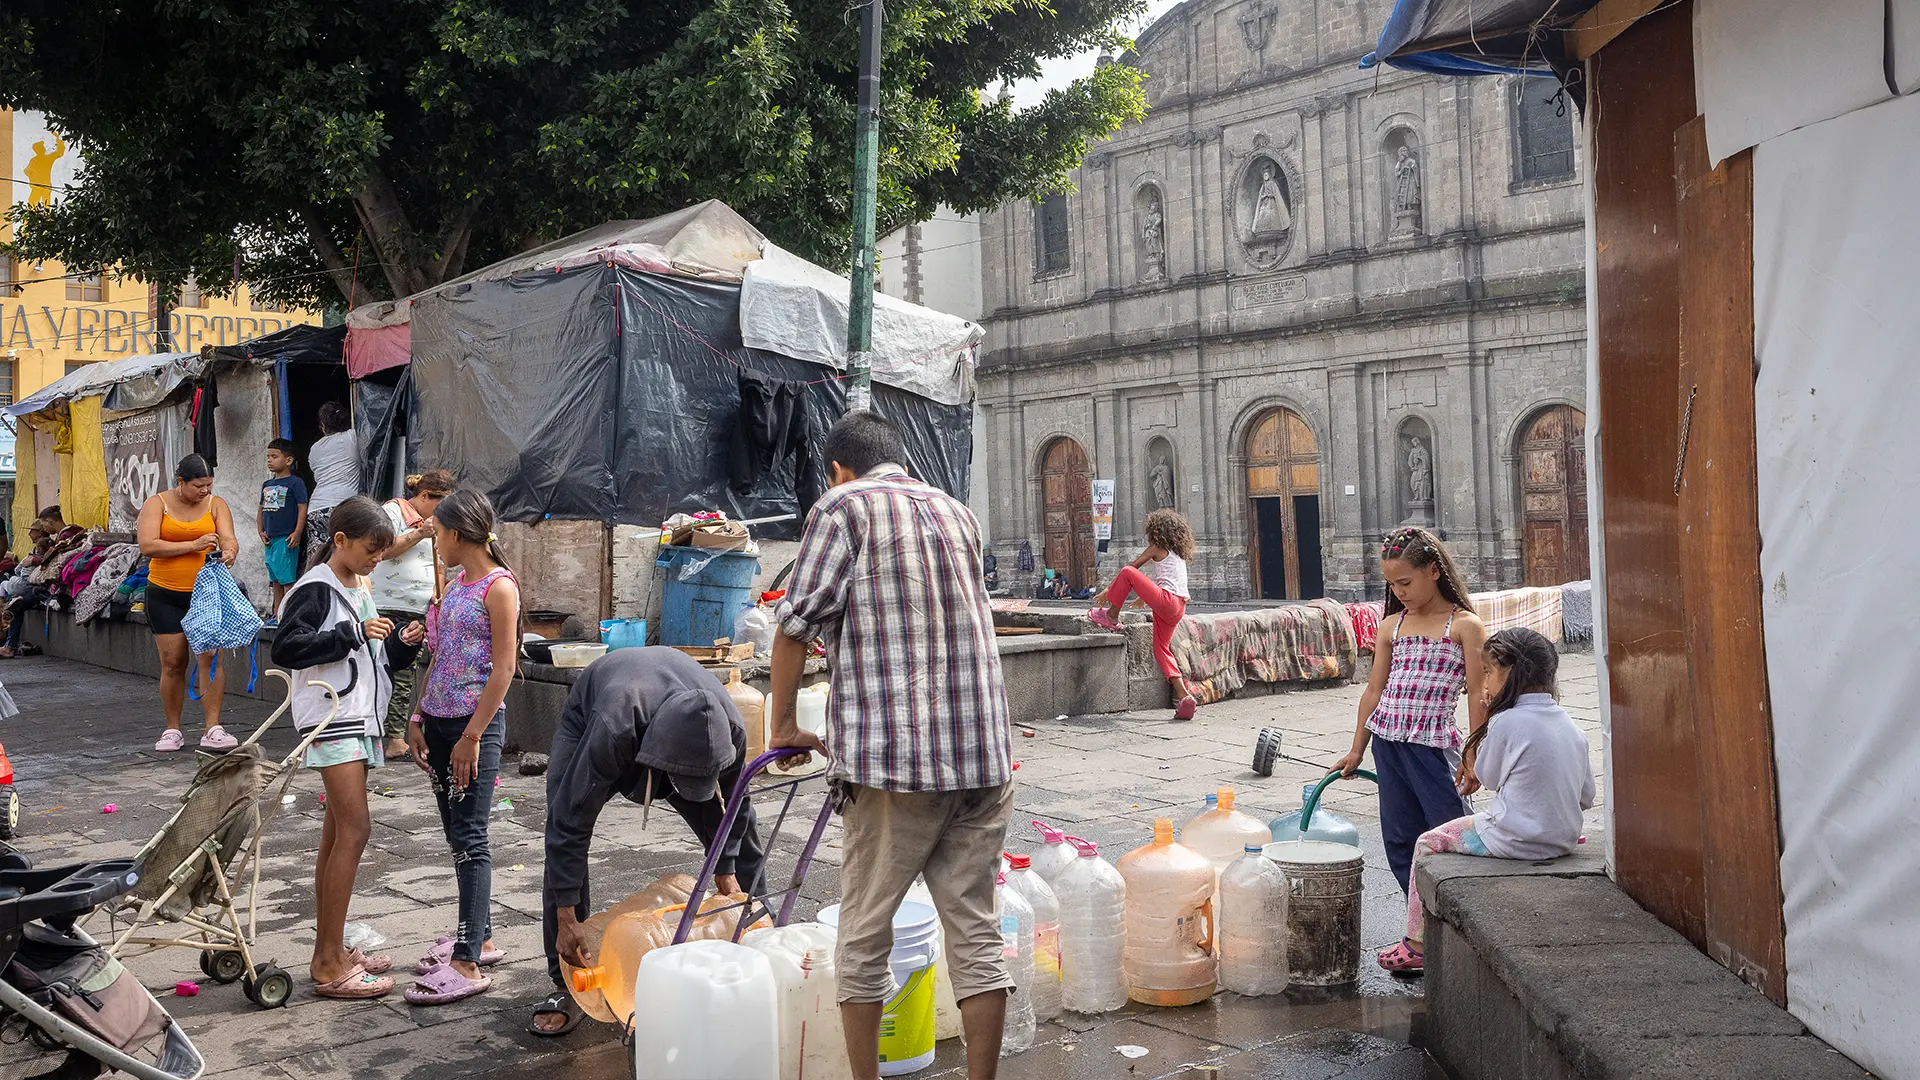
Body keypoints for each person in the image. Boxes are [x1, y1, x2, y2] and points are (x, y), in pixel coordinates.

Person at [768, 410, 1015, 1080]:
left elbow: (794, 626)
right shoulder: (956, 511)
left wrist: (783, 727)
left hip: (896, 765)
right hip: (983, 755)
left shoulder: (842, 507)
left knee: (866, 932)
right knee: (975, 929)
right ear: (899, 459)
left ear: (839, 468)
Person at [534, 646, 769, 1035]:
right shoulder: (613, 728)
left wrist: (727, 870)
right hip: (595, 712)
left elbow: (735, 808)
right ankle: (568, 983)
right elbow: (569, 824)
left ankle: (761, 944)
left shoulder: (732, 729)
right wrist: (566, 916)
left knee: (743, 840)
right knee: (564, 823)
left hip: (668, 721)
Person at [270, 496, 424, 999]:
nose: (375, 560)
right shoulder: (315, 587)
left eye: (381, 553)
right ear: (339, 541)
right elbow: (286, 647)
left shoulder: (359, 584)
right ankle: (326, 961)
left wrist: (402, 642)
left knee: (338, 836)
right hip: (332, 719)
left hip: (357, 716)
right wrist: (352, 632)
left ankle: (331, 947)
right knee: (356, 830)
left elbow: (375, 656)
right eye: (369, 551)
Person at [1382, 628, 1593, 973]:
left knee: (1425, 842)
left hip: (1513, 839)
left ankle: (1416, 942)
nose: (1483, 682)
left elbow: (1489, 778)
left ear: (1510, 674)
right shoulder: (1572, 727)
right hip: (1562, 840)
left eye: (1490, 672)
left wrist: (1488, 725)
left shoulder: (1506, 722)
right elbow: (1586, 797)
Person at [402, 490, 519, 1005]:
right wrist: (416, 717)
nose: (433, 540)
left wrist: (473, 736)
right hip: (440, 722)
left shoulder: (499, 588)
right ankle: (482, 935)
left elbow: (505, 669)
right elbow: (439, 657)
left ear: (457, 533)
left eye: (436, 532)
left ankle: (468, 960)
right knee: (456, 833)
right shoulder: (453, 586)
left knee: (471, 836)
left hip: (475, 728)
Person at [1334, 526, 1488, 898]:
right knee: (1400, 839)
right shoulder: (1392, 625)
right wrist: (1357, 749)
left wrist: (1473, 755)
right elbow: (1374, 691)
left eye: (1405, 582)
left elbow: (1478, 695)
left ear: (1434, 570)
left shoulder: (1465, 626)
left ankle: (1466, 910)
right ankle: (1418, 924)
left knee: (1452, 830)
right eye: (1392, 586)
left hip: (1434, 749)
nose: (1398, 593)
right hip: (1387, 745)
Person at [136, 455, 240, 752]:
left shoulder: (216, 504)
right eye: (198, 486)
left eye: (208, 485)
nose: (204, 491)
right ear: (180, 483)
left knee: (210, 656)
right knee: (173, 662)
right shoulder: (157, 504)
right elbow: (147, 545)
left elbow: (229, 538)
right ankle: (172, 729)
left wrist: (230, 552)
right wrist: (191, 546)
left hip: (206, 592)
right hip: (165, 592)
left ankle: (213, 726)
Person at [371, 470, 453, 758]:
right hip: (385, 602)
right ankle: (373, 731)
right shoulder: (394, 511)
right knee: (378, 666)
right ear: (423, 496)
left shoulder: (439, 521)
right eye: (438, 502)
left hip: (418, 607)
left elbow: (441, 561)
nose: (442, 510)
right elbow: (381, 549)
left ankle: (394, 739)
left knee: (405, 673)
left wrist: (439, 591)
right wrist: (419, 533)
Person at [1088, 508, 1198, 718]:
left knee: (1128, 572)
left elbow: (1132, 567)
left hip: (1167, 602)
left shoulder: (1157, 547)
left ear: (1156, 531)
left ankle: (1111, 616)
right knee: (1161, 650)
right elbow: (1169, 580)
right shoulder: (1177, 553)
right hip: (1179, 606)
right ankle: (1184, 696)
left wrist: (1107, 590)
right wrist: (1143, 596)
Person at [303, 402, 360, 572]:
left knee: (318, 559)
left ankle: (315, 593)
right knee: (347, 556)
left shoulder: (315, 448)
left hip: (317, 508)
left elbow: (316, 473)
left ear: (323, 426)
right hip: (344, 506)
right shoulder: (353, 437)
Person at [258, 438, 309, 616]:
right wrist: (260, 531)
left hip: (286, 538)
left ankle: (288, 616)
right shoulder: (267, 484)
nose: (269, 460)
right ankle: (276, 615)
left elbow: (303, 508)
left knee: (287, 580)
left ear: (288, 460)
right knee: (275, 581)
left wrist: (297, 532)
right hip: (270, 539)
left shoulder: (295, 483)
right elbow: (261, 509)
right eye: (268, 457)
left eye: (274, 456)